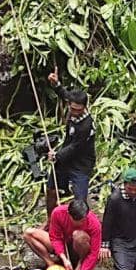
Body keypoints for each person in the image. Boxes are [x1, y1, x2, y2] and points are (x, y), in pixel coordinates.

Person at [23, 199, 102, 270]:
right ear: (69, 214)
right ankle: (51, 264)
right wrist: (63, 257)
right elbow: (55, 237)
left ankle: (80, 264)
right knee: (28, 233)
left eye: (82, 220)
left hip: (79, 248)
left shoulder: (94, 223)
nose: (80, 223)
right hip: (63, 244)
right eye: (77, 220)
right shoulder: (58, 212)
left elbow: (94, 253)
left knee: (78, 235)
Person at [45, 70, 95, 213]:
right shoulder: (72, 103)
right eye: (72, 108)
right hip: (66, 158)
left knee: (80, 201)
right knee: (51, 189)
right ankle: (50, 220)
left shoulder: (86, 126)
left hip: (81, 163)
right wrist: (56, 84)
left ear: (84, 107)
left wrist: (57, 155)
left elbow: (75, 147)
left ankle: (81, 224)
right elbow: (65, 95)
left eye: (78, 110)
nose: (73, 112)